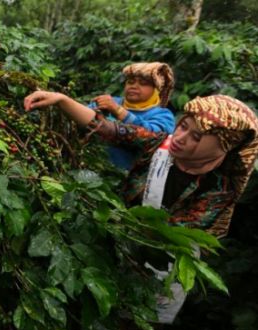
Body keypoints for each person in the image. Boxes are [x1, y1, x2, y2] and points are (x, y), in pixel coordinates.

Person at [24, 92, 258, 238]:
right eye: (183, 126)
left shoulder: (219, 187)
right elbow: (110, 129)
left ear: (223, 148)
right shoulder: (160, 144)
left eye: (196, 137)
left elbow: (173, 232)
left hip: (158, 258)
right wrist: (61, 100)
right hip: (117, 233)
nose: (179, 138)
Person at [90, 62, 176, 169]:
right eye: (130, 82)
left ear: (156, 90)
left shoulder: (163, 115)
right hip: (94, 169)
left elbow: (152, 137)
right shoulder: (111, 101)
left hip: (127, 178)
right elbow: (85, 115)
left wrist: (118, 111)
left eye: (143, 83)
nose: (134, 86)